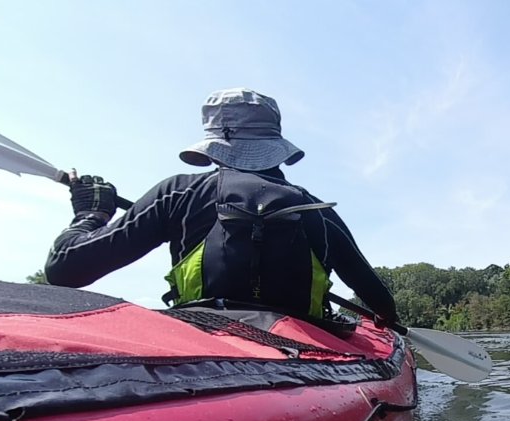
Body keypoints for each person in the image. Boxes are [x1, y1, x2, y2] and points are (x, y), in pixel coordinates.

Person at [44, 88, 399, 326]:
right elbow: (381, 304)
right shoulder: (317, 211)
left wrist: (91, 214)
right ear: (275, 143)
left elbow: (64, 270)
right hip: (303, 351)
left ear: (213, 145)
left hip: (204, 343)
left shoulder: (177, 194)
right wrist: (384, 325)